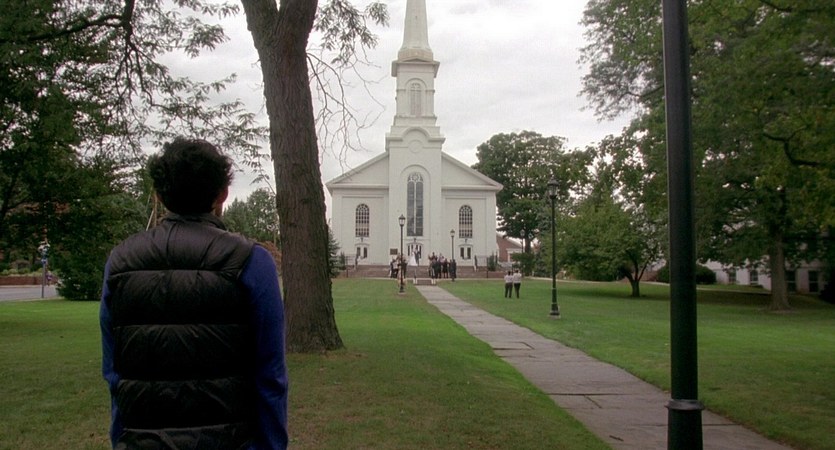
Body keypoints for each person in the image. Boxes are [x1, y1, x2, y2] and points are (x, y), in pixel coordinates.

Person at [99, 138, 289, 450]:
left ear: (159, 195)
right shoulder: (251, 261)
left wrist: (121, 437)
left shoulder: (120, 262)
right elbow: (270, 376)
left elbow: (115, 372)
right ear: (223, 193)